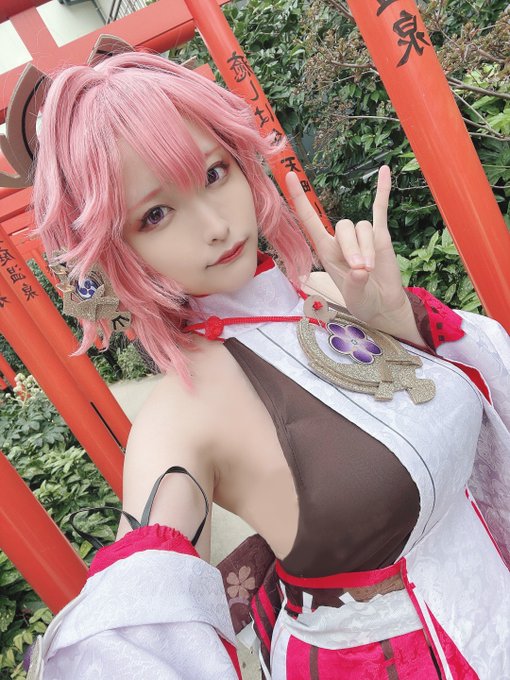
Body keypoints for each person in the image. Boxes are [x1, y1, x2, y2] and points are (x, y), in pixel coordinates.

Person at [8, 40, 510, 679]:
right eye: (156, 214)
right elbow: (140, 619)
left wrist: (399, 321)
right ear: (112, 251)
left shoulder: (332, 292)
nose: (214, 226)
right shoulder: (181, 417)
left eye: (214, 173)